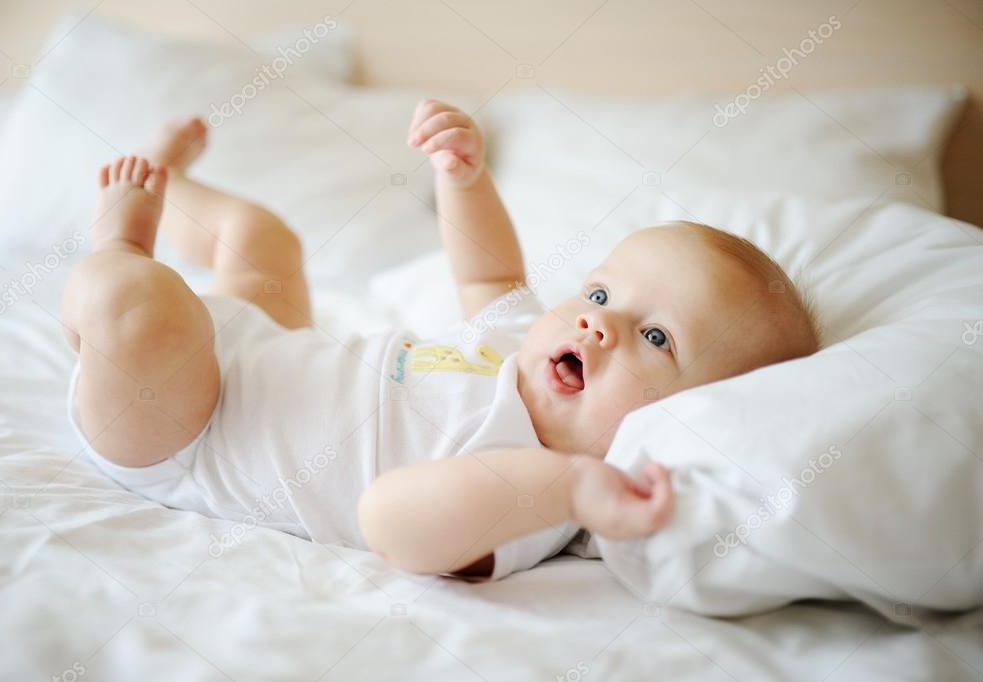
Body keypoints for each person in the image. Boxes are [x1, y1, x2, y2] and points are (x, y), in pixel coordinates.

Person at [63, 100, 819, 580]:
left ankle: (119, 239)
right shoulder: (525, 341)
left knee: (140, 306)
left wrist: (573, 490)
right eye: (598, 292)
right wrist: (464, 181)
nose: (598, 322)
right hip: (260, 350)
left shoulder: (535, 492)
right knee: (266, 238)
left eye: (654, 336)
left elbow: (390, 521)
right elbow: (490, 281)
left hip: (185, 432)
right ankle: (167, 182)